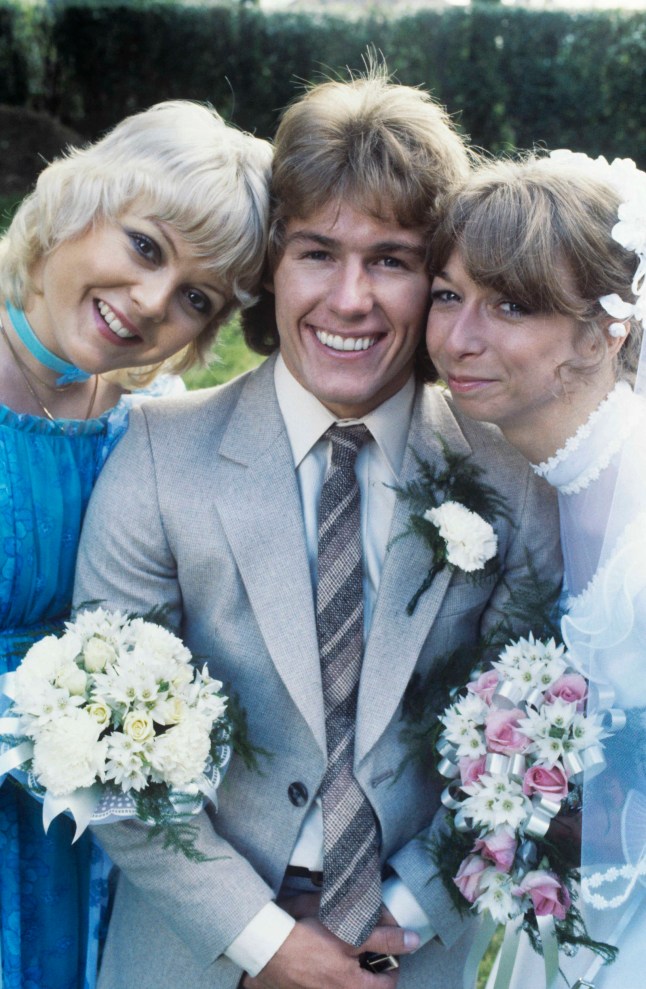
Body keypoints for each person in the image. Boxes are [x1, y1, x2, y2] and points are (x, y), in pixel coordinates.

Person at [73, 67, 560, 989]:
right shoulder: (158, 453)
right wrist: (265, 942)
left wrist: (399, 923)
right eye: (317, 253)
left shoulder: (512, 479)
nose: (350, 300)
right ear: (269, 268)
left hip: (408, 957)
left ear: (439, 278)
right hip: (190, 948)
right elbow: (106, 753)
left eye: (392, 260)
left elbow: (528, 748)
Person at [0, 99, 272, 989]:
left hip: (92, 854)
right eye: (146, 246)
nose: (152, 302)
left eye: (197, 297)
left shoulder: (146, 440)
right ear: (80, 202)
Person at [426, 150, 646, 987]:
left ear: (599, 334)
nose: (458, 336)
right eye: (449, 295)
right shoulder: (525, 472)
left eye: (510, 305)